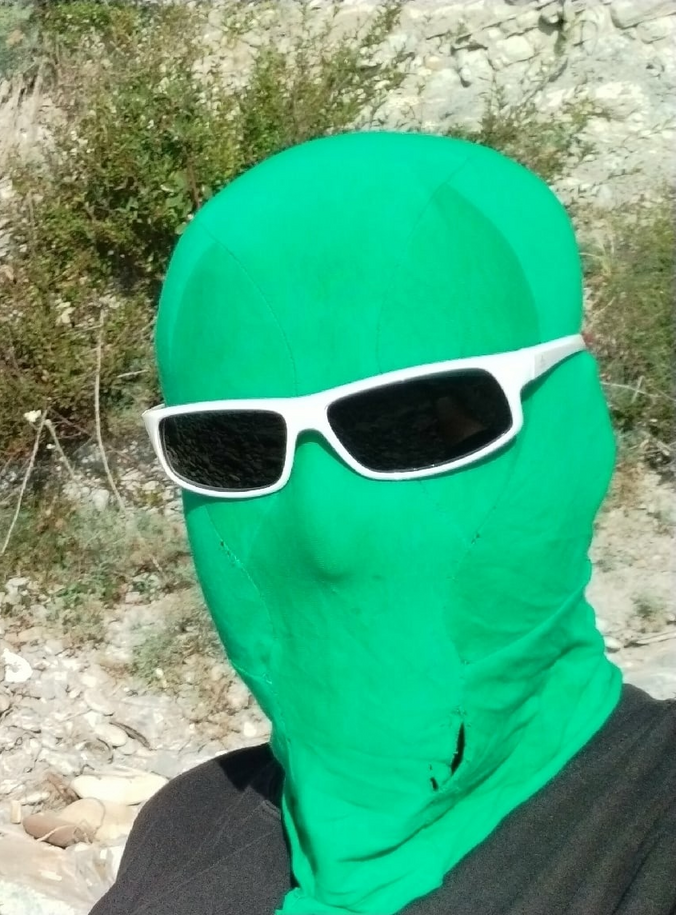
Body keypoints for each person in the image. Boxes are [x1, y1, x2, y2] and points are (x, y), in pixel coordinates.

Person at [92, 130, 676, 915]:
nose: (325, 535)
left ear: (568, 427)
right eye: (235, 446)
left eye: (419, 422)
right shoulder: (184, 825)